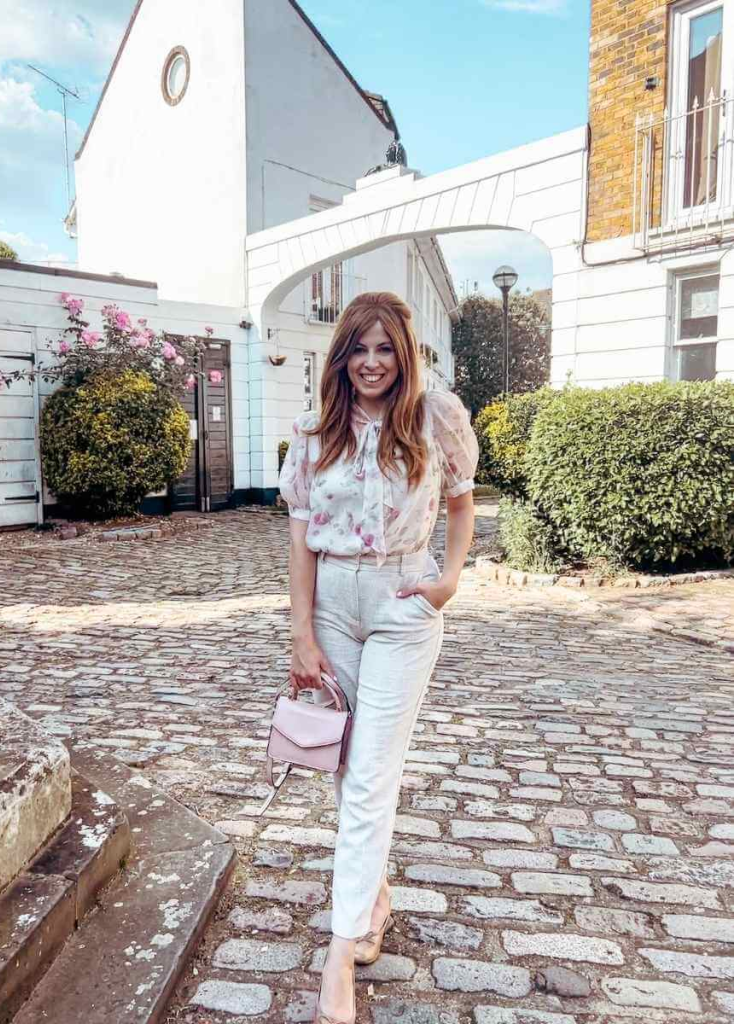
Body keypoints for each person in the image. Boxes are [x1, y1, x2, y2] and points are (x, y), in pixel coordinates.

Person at [278, 291, 479, 1024]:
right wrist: (301, 633)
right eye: (358, 348)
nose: (371, 362)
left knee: (370, 774)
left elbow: (462, 502)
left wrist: (449, 580)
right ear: (342, 356)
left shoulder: (437, 417)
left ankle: (339, 954)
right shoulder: (312, 429)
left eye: (384, 348)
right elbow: (300, 535)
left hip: (402, 601)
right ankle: (372, 897)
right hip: (332, 602)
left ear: (405, 352)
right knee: (343, 764)